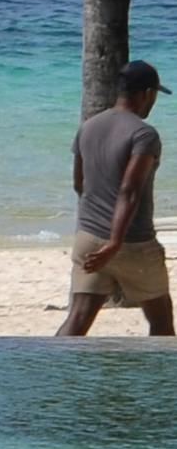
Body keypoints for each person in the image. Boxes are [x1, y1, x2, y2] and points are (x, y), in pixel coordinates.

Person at [61, 63, 171, 337]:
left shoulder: (88, 127)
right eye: (154, 95)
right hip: (133, 242)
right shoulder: (144, 134)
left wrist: (99, 229)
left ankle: (53, 374)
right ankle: (162, 380)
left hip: (88, 238)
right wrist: (115, 242)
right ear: (146, 93)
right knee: (161, 322)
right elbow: (129, 190)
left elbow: (79, 184)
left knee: (78, 319)